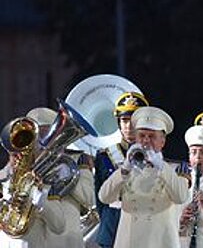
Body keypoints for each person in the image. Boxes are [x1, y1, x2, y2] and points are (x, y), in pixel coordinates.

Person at [98, 106, 189, 248]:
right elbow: (104, 197)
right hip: (128, 242)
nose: (146, 141)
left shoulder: (174, 169)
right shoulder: (126, 169)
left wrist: (161, 166)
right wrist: (125, 168)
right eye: (141, 136)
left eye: (151, 136)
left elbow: (181, 197)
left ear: (162, 141)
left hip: (160, 242)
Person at [27, 107, 96, 248]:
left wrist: (70, 177)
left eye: (46, 132)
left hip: (66, 237)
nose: (42, 139)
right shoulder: (24, 161)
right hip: (34, 237)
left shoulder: (78, 159)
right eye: (37, 134)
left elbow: (89, 199)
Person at [0, 117, 66, 248]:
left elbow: (59, 226)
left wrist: (39, 199)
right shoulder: (2, 182)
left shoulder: (44, 184)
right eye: (14, 154)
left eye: (21, 153)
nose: (18, 157)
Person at [93, 91, 148, 248]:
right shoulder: (105, 155)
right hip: (112, 228)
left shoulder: (153, 155)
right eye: (124, 120)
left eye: (133, 120)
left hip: (142, 227)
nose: (128, 126)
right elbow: (100, 199)